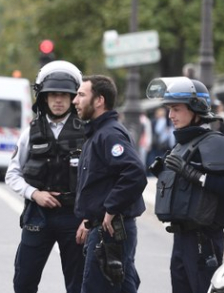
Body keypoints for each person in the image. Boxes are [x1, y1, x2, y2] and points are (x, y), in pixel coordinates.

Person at [146, 77, 224, 293]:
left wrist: (195, 175)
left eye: (176, 109)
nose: (170, 115)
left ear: (196, 109)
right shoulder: (183, 145)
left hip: (204, 240)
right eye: (169, 109)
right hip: (181, 238)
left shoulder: (216, 142)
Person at [5, 60, 86, 293]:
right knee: (24, 280)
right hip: (38, 215)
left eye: (64, 95)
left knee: (78, 283)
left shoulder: (88, 133)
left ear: (74, 97)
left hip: (75, 216)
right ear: (44, 97)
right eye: (53, 95)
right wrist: (35, 194)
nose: (58, 100)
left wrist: (89, 218)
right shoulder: (30, 133)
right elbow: (13, 174)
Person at [72, 75, 147, 293]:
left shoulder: (109, 134)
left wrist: (111, 208)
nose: (75, 100)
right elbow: (101, 182)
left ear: (99, 101)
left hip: (112, 232)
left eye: (81, 95)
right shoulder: (97, 134)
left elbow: (135, 172)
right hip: (104, 228)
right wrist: (89, 219)